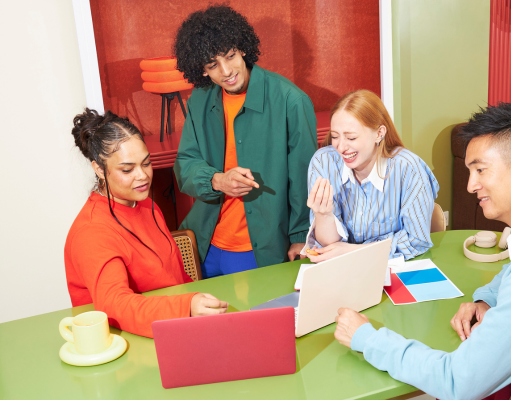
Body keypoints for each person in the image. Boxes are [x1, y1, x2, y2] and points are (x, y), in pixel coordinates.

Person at [333, 102, 511, 400]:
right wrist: (487, 298)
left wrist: (366, 338)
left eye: (481, 170)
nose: (471, 185)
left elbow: (458, 382)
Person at [173, 5, 317, 278]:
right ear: (202, 70)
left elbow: (305, 177)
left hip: (261, 249)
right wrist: (217, 180)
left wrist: (301, 235)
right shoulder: (200, 100)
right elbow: (185, 164)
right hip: (205, 244)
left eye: (230, 56)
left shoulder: (291, 101)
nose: (226, 71)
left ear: (242, 49)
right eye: (212, 65)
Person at [65, 109, 228, 338]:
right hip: (126, 339)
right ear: (99, 169)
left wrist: (199, 303)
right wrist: (185, 308)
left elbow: (175, 276)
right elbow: (115, 306)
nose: (143, 176)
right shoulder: (92, 232)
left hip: (173, 327)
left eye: (146, 163)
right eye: (127, 169)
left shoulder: (145, 204)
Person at [301, 90, 439, 262]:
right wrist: (323, 215)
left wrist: (353, 251)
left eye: (351, 138)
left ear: (379, 134)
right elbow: (330, 247)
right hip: (342, 270)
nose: (341, 147)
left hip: (394, 269)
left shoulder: (408, 168)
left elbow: (417, 241)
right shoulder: (323, 162)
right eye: (335, 136)